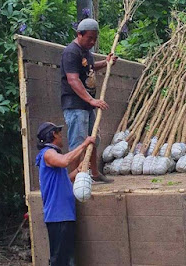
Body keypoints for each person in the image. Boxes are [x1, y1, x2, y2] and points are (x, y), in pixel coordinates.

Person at [61, 18, 117, 183]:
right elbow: (73, 80)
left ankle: (94, 173)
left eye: (95, 38)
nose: (92, 42)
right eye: (89, 38)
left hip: (86, 105)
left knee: (93, 139)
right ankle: (76, 179)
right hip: (76, 105)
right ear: (79, 34)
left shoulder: (85, 51)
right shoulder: (71, 52)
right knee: (78, 142)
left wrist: (106, 63)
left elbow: (90, 68)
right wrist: (92, 100)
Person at [35, 122, 95, 265]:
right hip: (58, 216)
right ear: (54, 134)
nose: (62, 136)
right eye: (59, 133)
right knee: (61, 260)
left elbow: (65, 180)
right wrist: (84, 144)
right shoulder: (48, 153)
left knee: (67, 259)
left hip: (64, 215)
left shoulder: (52, 156)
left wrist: (78, 171)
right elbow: (65, 161)